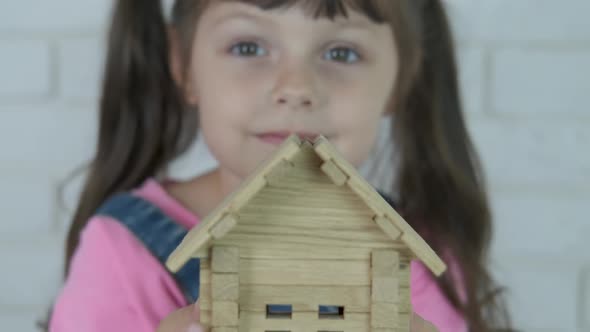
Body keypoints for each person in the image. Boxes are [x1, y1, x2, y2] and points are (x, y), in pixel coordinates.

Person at [48, 0, 512, 331]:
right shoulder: (122, 254)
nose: (296, 87)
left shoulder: (421, 258)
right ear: (184, 64)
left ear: (400, 80)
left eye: (341, 53)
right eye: (248, 47)